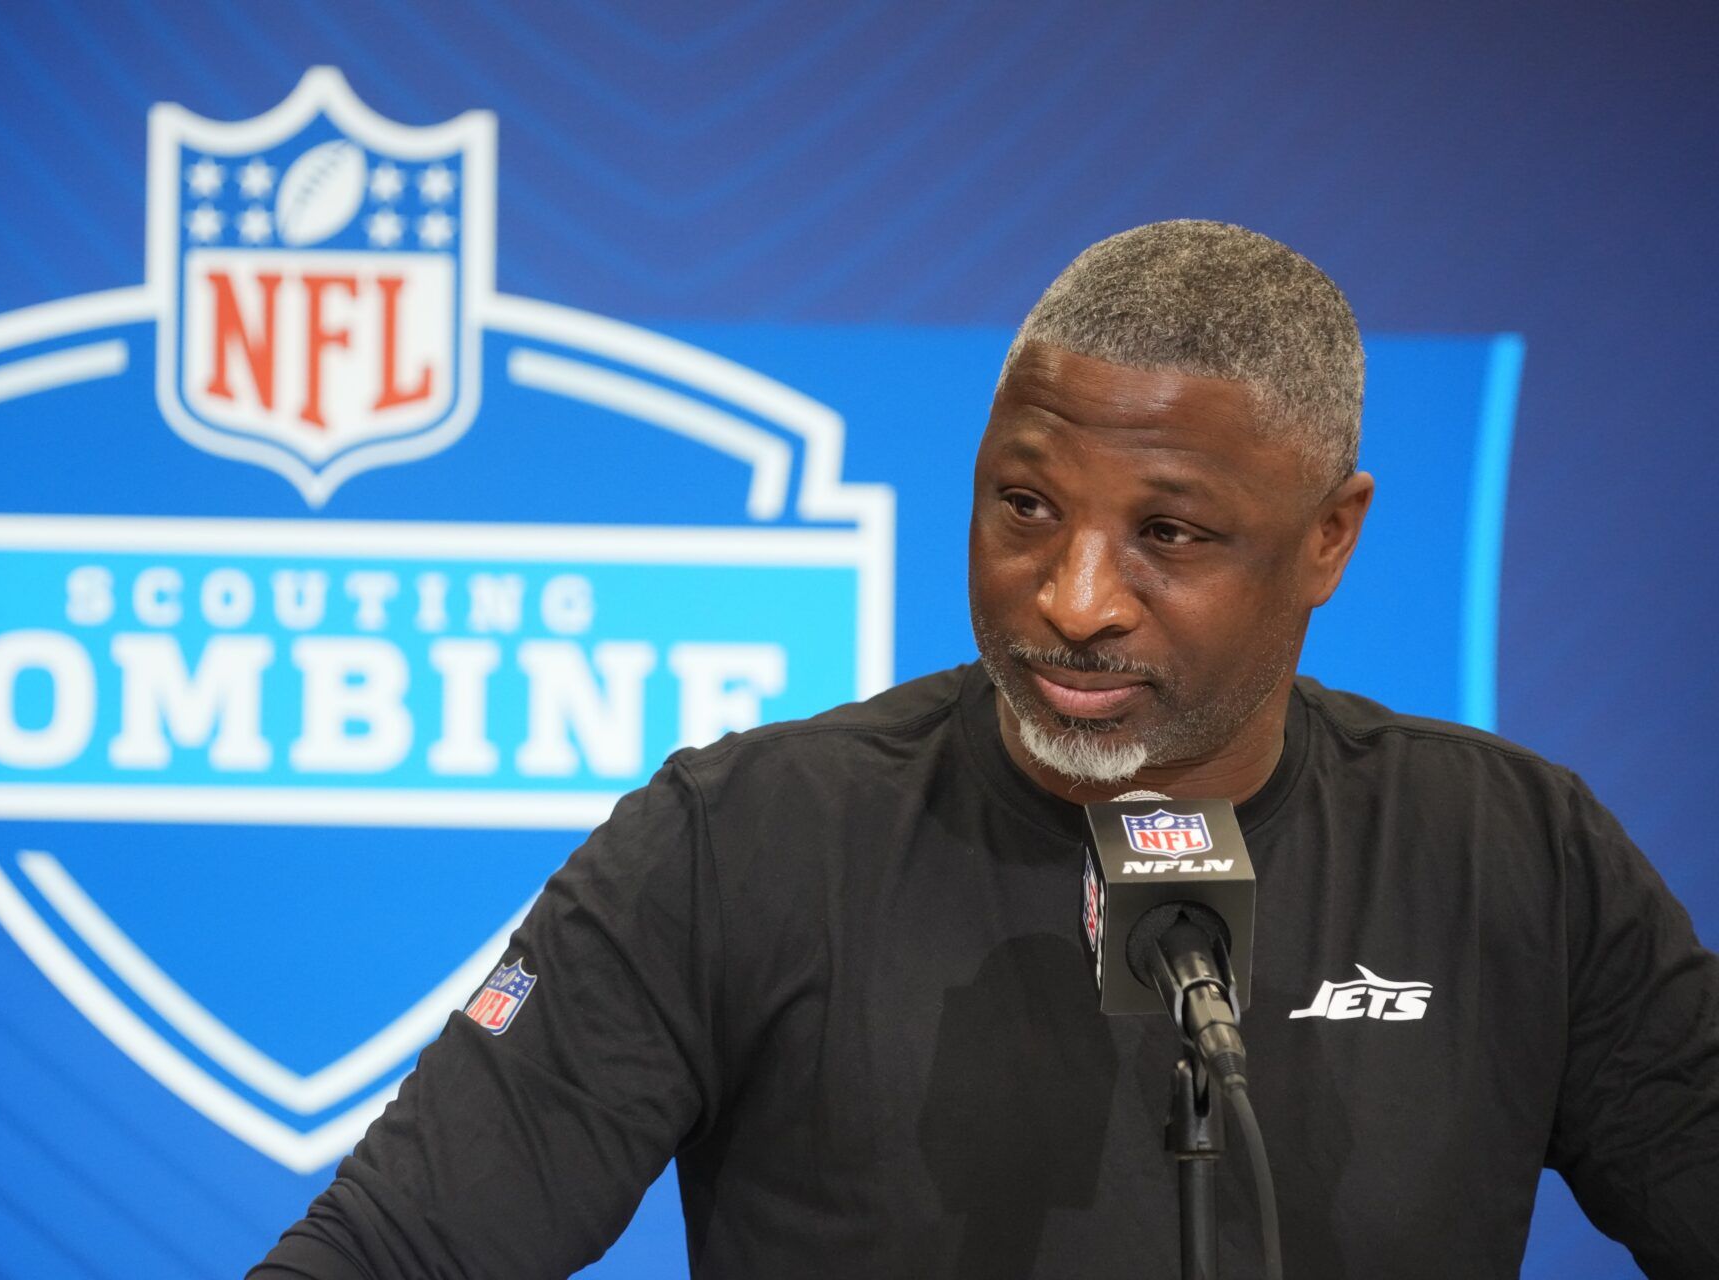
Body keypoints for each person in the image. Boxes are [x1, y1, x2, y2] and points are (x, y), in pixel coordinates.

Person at [252, 221, 1719, 1279]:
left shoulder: (1512, 857)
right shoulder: (745, 839)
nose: (1073, 599)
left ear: (1329, 537)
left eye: (1169, 534)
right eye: (1025, 506)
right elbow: (395, 1251)